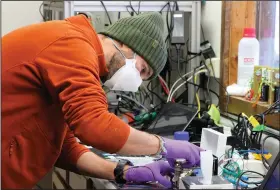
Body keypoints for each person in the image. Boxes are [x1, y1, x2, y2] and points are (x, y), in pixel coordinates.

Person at [2, 12, 202, 189]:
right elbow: (95, 125)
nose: (137, 81)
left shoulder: (77, 50)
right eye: (141, 69)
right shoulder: (73, 45)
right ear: (125, 43)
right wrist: (163, 145)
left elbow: (65, 146)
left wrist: (122, 172)